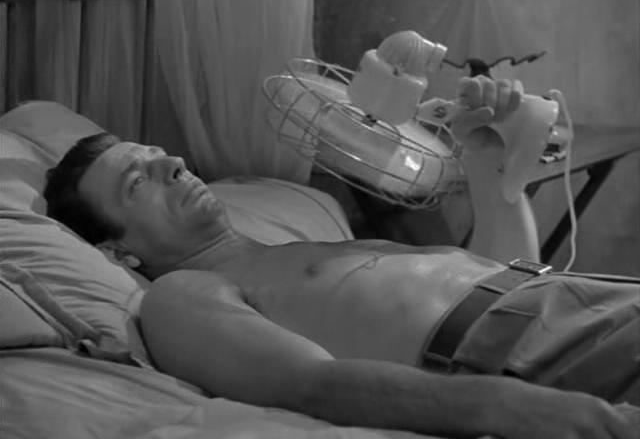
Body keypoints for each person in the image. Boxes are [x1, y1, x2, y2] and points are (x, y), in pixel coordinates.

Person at [44, 76, 638, 439]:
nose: (172, 164)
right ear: (117, 250)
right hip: (534, 354)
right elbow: (311, 385)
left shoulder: (295, 249)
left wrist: (488, 166)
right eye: (138, 181)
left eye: (158, 155)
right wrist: (515, 408)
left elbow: (504, 280)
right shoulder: (181, 296)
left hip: (576, 302)